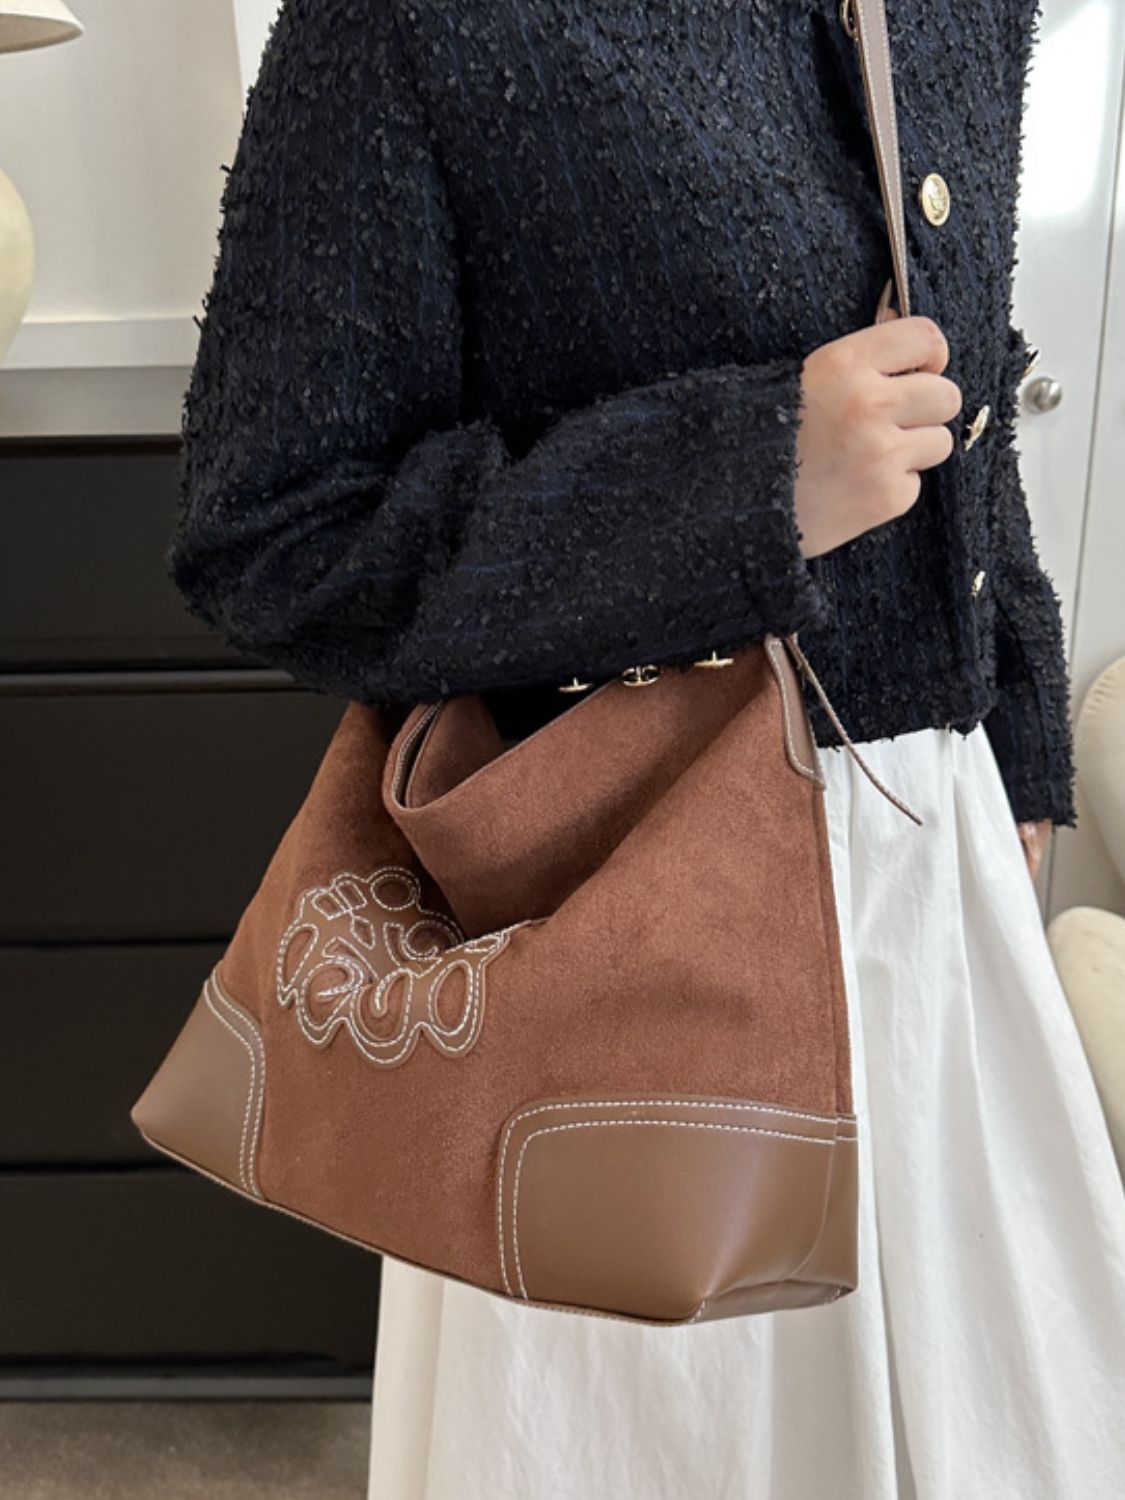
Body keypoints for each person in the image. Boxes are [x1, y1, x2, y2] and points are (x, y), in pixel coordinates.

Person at [168, 1, 1125, 1495]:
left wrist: (1004, 728)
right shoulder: (405, 26)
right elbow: (275, 530)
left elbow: (964, 389)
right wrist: (744, 480)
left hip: (936, 901)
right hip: (616, 931)